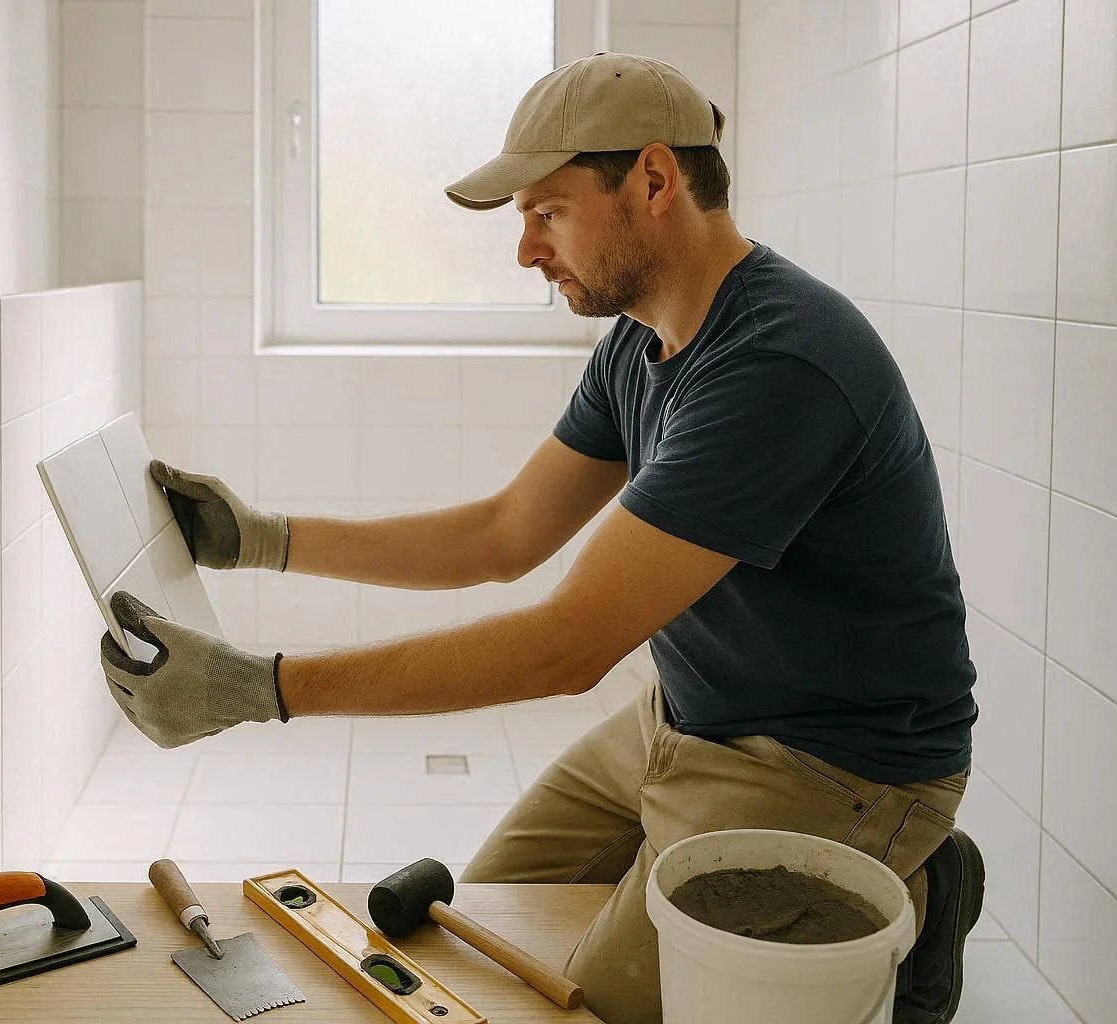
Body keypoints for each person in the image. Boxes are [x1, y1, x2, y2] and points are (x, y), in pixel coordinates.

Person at [99, 52, 983, 1024]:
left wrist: (258, 689)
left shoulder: (780, 365)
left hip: (834, 760)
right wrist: (265, 539)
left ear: (654, 180)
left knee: (587, 1009)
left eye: (546, 213)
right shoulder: (640, 343)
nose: (526, 252)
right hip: (685, 715)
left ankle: (921, 881)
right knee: (463, 929)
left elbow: (567, 646)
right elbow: (505, 534)